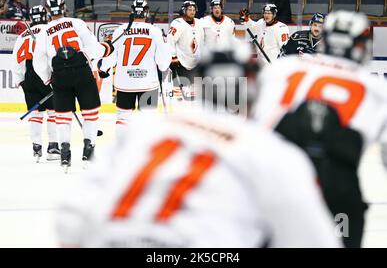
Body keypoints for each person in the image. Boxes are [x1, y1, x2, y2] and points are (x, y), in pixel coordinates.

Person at [56, 38, 341, 248]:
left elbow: (72, 216)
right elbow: (316, 239)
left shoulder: (145, 127)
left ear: (199, 81)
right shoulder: (271, 152)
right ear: (254, 87)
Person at [253, 10, 387, 248]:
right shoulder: (376, 87)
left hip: (280, 177)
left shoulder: (284, 68)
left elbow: (256, 126)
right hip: (337, 183)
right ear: (360, 45)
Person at [32, 0, 114, 171]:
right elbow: (93, 48)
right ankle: (88, 152)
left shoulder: (44, 32)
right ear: (64, 8)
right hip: (82, 71)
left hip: (60, 75)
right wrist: (106, 48)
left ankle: (65, 154)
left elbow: (38, 61)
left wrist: (48, 79)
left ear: (47, 11)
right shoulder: (76, 22)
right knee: (90, 113)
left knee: (62, 116)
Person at [97, 0, 171, 135]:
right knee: (148, 119)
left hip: (125, 83)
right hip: (148, 83)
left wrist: (104, 69)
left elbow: (111, 55)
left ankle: (121, 149)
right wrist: (161, 67)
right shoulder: (154, 31)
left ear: (132, 12)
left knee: (123, 119)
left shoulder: (121, 29)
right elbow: (163, 60)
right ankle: (146, 152)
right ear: (146, 13)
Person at [12, 5, 60, 162]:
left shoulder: (22, 36)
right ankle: (53, 148)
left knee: (36, 113)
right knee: (53, 111)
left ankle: (36, 148)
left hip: (29, 77)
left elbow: (16, 60)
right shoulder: (49, 30)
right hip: (45, 74)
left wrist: (20, 80)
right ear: (45, 16)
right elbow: (53, 55)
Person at [167, 0, 204, 99]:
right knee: (178, 94)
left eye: (193, 10)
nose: (192, 12)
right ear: (184, 11)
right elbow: (170, 41)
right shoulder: (177, 23)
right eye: (189, 10)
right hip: (180, 62)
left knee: (195, 95)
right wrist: (173, 57)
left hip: (196, 62)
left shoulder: (200, 23)